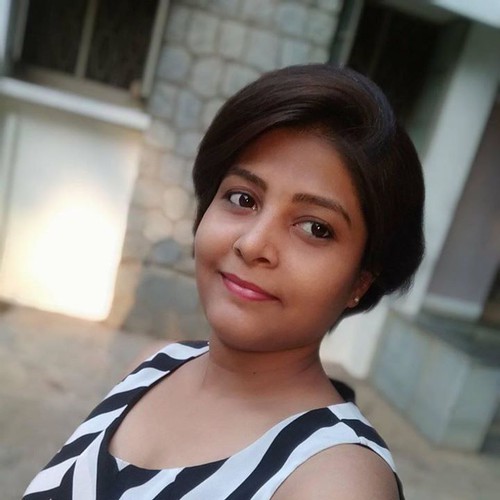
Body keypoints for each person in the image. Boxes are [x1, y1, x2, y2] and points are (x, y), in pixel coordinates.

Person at [24, 64, 424, 499]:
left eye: (315, 228)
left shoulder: (336, 481)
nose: (252, 244)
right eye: (242, 198)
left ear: (360, 281)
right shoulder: (152, 367)